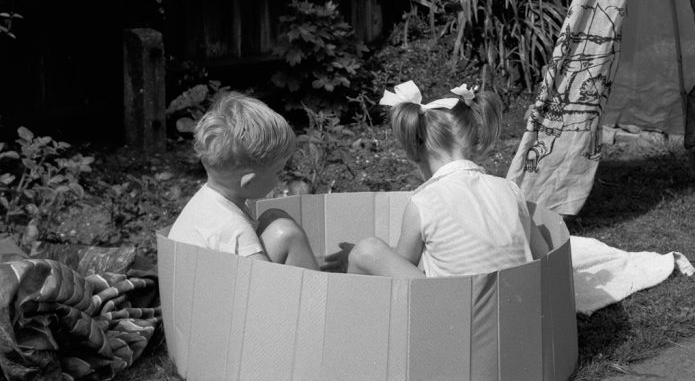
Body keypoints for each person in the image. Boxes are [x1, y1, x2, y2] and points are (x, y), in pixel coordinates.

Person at [327, 81, 547, 278]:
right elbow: (544, 256)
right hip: (516, 307)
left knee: (366, 251)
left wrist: (353, 256)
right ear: (471, 139)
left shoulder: (424, 202)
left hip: (451, 312)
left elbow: (402, 265)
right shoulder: (510, 189)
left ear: (415, 150)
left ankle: (358, 318)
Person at [168, 92, 320, 270]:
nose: (280, 179)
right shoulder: (234, 228)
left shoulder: (208, 201)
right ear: (248, 182)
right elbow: (259, 283)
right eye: (278, 172)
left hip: (204, 284)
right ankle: (318, 293)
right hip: (220, 296)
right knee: (288, 234)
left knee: (274, 216)